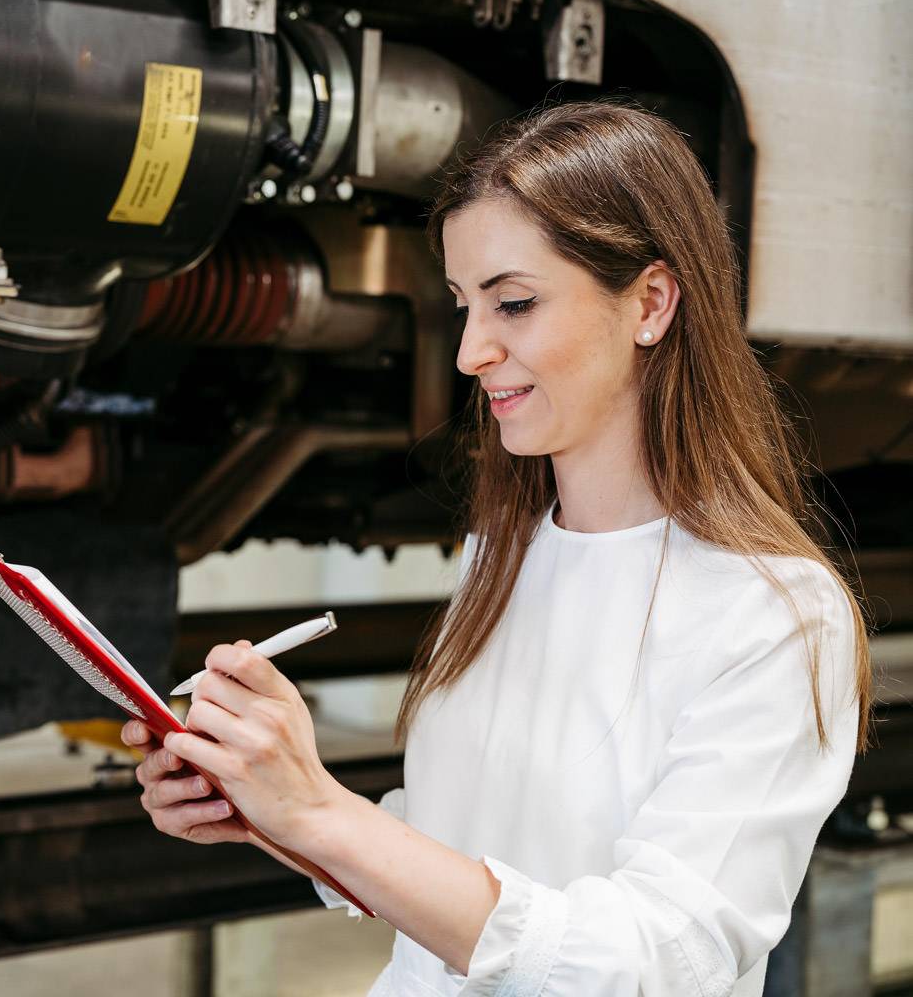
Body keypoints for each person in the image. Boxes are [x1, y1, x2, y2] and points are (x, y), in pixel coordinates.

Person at [120, 101, 873, 996]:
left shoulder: (778, 616)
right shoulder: (501, 557)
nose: (472, 351)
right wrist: (270, 806)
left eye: (513, 303)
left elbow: (658, 961)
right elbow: (456, 849)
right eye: (463, 306)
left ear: (651, 302)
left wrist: (321, 815)